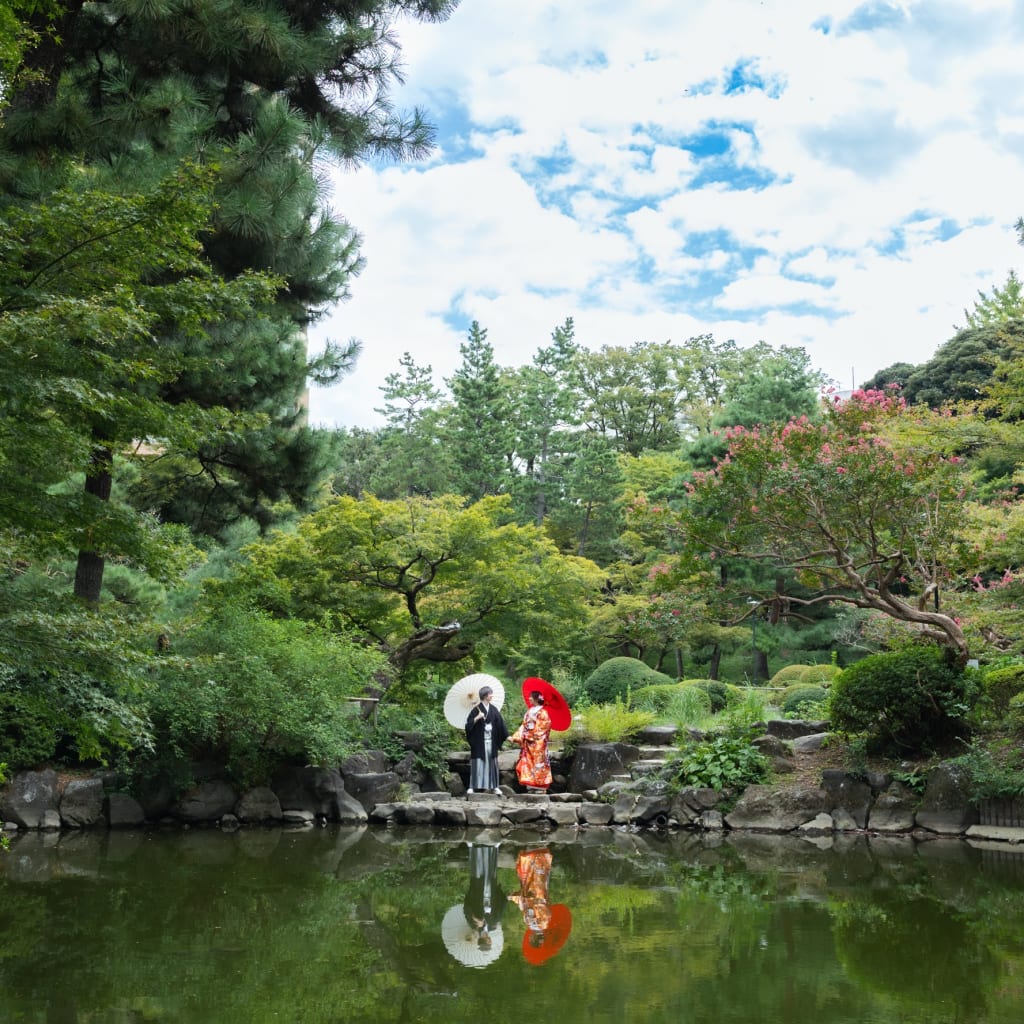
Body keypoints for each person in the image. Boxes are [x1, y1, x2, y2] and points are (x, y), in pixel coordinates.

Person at [464, 684, 508, 795]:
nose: (491, 695)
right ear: (485, 695)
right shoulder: (475, 710)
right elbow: (468, 726)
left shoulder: (494, 710)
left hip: (491, 741)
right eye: (490, 694)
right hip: (479, 742)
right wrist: (477, 718)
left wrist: (507, 736)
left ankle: (494, 786)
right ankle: (473, 786)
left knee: (492, 764)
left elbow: (501, 725)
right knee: (478, 763)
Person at [512, 689, 552, 792]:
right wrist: (519, 735)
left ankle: (540, 786)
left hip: (539, 742)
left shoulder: (543, 712)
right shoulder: (529, 711)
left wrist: (530, 735)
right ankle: (530, 784)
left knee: (539, 763)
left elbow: (543, 727)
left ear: (536, 698)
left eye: (531, 696)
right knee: (528, 761)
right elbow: (524, 725)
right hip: (528, 741)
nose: (529, 698)